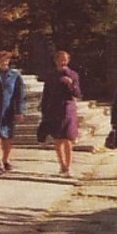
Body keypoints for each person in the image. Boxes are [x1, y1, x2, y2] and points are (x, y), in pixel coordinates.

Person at [38, 49, 82, 178]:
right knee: (58, 139)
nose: (63, 61)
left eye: (65, 59)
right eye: (60, 59)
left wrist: (71, 84)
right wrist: (44, 110)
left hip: (68, 108)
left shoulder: (73, 75)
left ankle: (68, 167)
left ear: (68, 60)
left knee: (68, 138)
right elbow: (46, 94)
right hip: (54, 109)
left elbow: (78, 94)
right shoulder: (51, 76)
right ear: (56, 60)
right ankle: (62, 165)